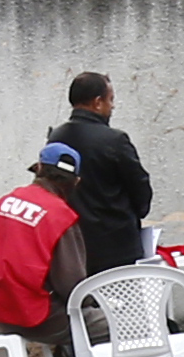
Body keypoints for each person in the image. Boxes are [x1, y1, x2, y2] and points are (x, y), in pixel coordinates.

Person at [0, 139, 89, 357]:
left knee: (84, 321)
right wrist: (95, 303)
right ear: (75, 182)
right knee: (115, 327)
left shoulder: (5, 203)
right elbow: (73, 286)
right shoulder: (60, 215)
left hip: (2, 313)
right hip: (36, 316)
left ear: (39, 168)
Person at [50, 71, 155, 284]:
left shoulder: (56, 138)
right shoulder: (115, 140)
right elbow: (139, 187)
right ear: (98, 102)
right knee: (123, 301)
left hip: (73, 245)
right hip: (116, 246)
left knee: (82, 302)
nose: (112, 106)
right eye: (110, 99)